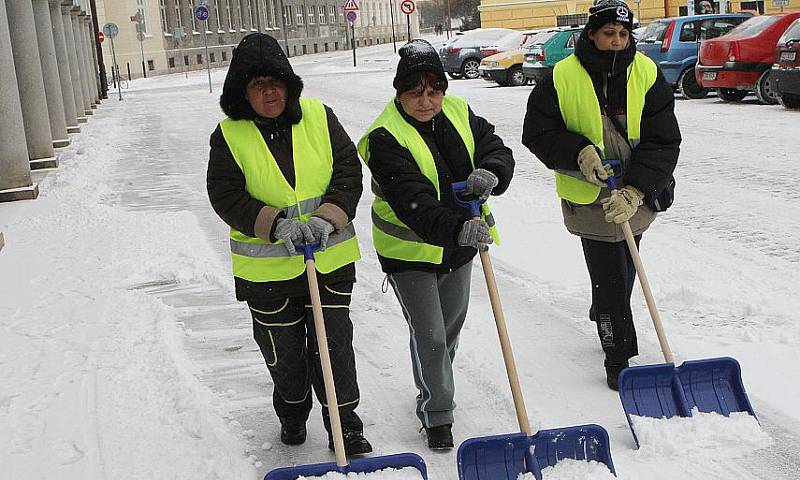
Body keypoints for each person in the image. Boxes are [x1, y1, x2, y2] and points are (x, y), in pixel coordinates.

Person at [206, 33, 372, 456]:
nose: (268, 91)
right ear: (242, 91)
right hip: (267, 273)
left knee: (334, 346)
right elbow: (225, 194)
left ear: (289, 83)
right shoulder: (229, 136)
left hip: (329, 260)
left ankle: (344, 425)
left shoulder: (319, 116)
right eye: (257, 84)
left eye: (275, 82)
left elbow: (348, 173)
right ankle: (292, 412)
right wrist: (275, 225)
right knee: (287, 356)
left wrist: (327, 217)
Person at [358, 40, 514, 449]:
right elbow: (413, 201)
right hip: (409, 250)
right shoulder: (383, 137)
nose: (426, 101)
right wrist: (458, 228)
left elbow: (495, 146)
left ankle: (435, 385)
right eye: (415, 92)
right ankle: (437, 412)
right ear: (399, 92)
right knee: (429, 334)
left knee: (449, 328)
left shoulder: (459, 111)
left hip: (459, 247)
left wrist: (491, 171)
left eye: (434, 90)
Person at [521, 0, 680, 390]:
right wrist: (577, 151)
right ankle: (618, 357)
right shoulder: (560, 76)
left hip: (635, 194)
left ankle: (606, 311)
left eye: (623, 34)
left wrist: (638, 189)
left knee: (625, 268)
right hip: (589, 198)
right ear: (592, 33)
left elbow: (663, 140)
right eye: (609, 33)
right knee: (610, 278)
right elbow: (537, 132)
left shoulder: (646, 72)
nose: (616, 41)